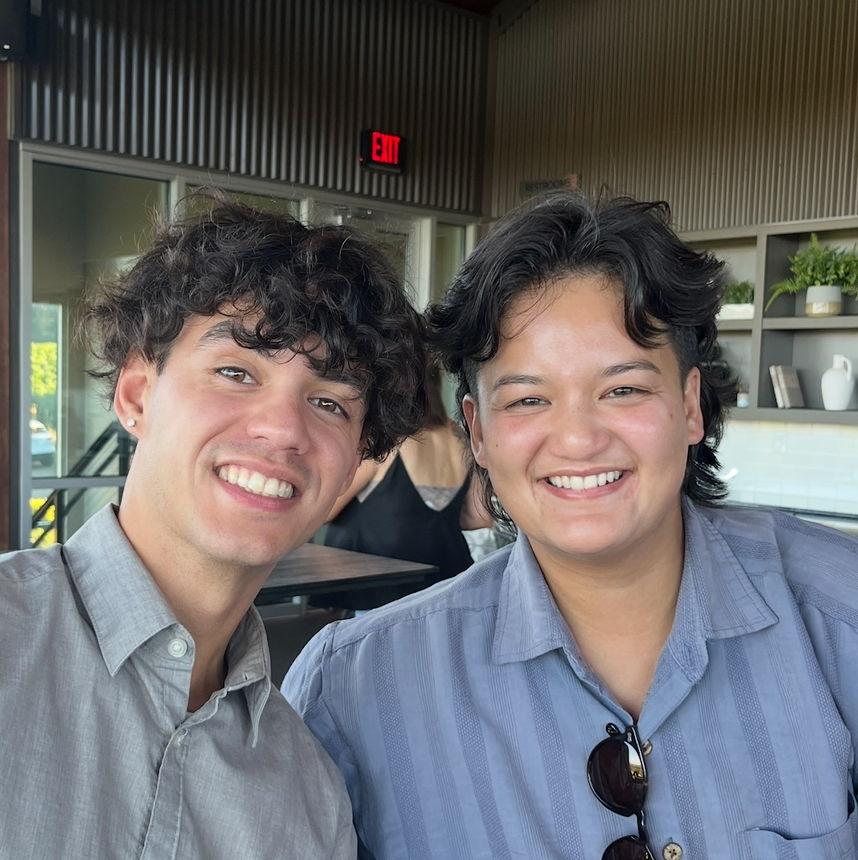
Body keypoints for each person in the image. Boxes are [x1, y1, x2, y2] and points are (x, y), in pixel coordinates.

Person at [284, 195, 858, 859]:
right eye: (528, 399)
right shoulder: (355, 688)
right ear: (477, 432)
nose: (579, 440)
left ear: (689, 405)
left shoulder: (837, 617)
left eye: (623, 389)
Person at [0, 198, 426, 858]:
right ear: (137, 394)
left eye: (328, 403)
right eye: (235, 372)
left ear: (351, 467)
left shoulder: (311, 796)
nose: (283, 429)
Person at [312, 359, 492, 612]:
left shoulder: (387, 438)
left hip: (377, 590)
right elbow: (480, 516)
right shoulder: (461, 438)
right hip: (445, 583)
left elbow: (323, 510)